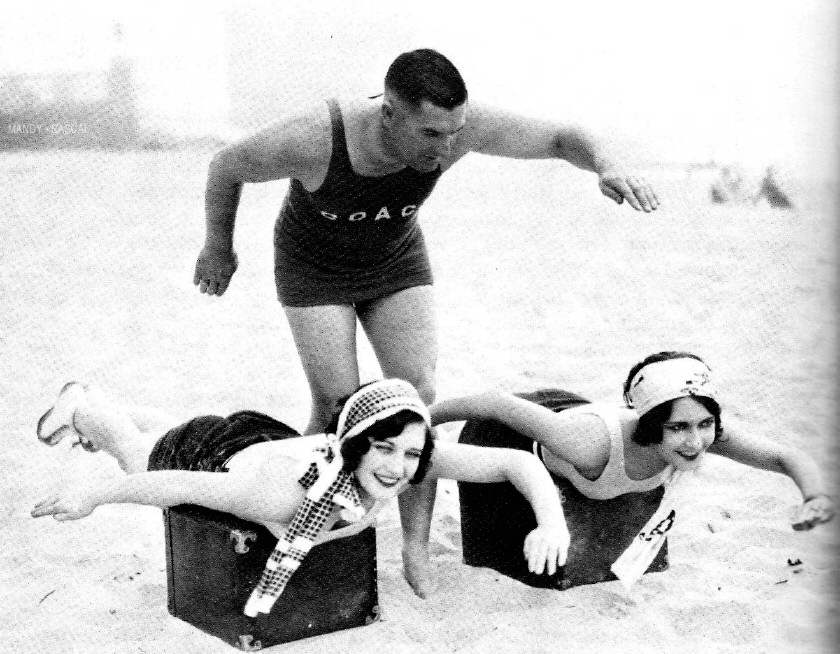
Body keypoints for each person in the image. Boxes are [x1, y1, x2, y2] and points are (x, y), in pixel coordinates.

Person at [193, 48, 659, 593]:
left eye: (453, 132)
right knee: (337, 400)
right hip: (312, 266)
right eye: (430, 134)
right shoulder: (317, 137)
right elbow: (225, 166)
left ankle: (414, 545)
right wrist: (217, 247)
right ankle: (303, 521)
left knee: (417, 395)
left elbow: (561, 138)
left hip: (394, 261)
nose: (445, 148)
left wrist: (607, 163)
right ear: (388, 111)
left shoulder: (459, 128)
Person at [32, 378, 569, 616]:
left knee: (153, 439)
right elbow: (176, 486)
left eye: (410, 454)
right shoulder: (280, 497)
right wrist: (95, 495)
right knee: (138, 453)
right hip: (215, 456)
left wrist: (552, 524)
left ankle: (114, 410)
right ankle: (82, 406)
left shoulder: (410, 456)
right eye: (384, 449)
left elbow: (516, 461)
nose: (398, 467)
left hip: (268, 441)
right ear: (355, 445)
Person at [426, 351, 834, 576]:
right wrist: (421, 420)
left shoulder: (702, 436)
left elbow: (785, 456)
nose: (695, 442)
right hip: (516, 431)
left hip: (578, 420)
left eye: (705, 424)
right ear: (653, 424)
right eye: (679, 428)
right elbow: (495, 405)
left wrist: (813, 494)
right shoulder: (587, 445)